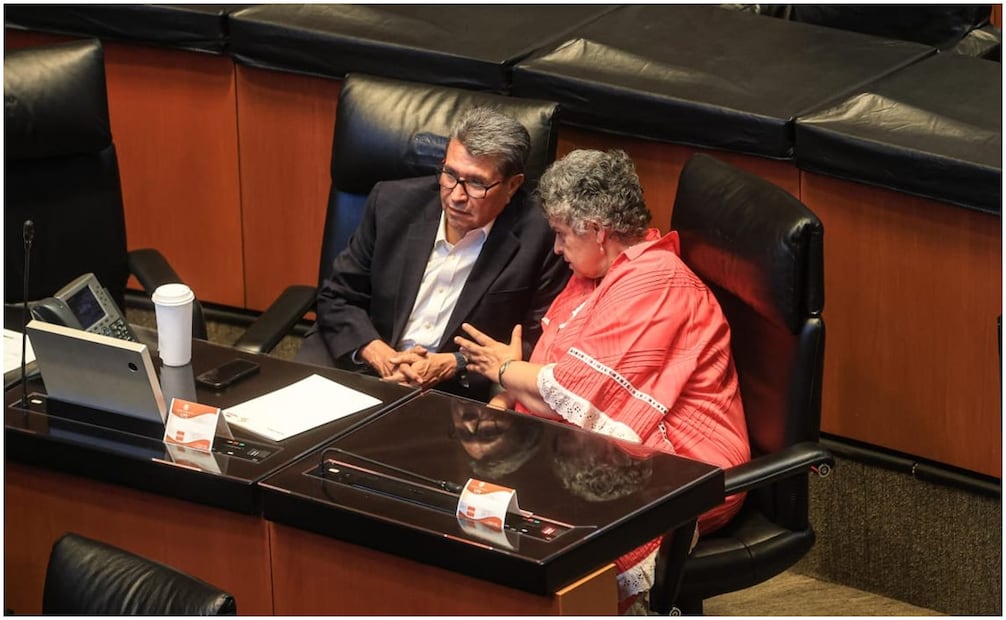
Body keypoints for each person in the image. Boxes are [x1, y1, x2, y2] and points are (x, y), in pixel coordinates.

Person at [454, 149, 751, 614]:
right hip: (598, 445)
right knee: (477, 497)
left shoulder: (657, 282)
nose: (556, 248)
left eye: (560, 234)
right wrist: (504, 397)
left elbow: (575, 391)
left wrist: (505, 372)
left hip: (689, 468)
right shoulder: (598, 276)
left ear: (596, 231)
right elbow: (556, 378)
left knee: (539, 527)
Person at [295, 107, 570, 401]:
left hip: (449, 391)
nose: (456, 196)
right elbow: (337, 297)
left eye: (476, 183)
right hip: (362, 360)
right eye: (450, 174)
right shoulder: (391, 203)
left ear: (512, 185)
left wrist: (456, 362)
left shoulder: (543, 237)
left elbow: (539, 340)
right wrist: (381, 355)